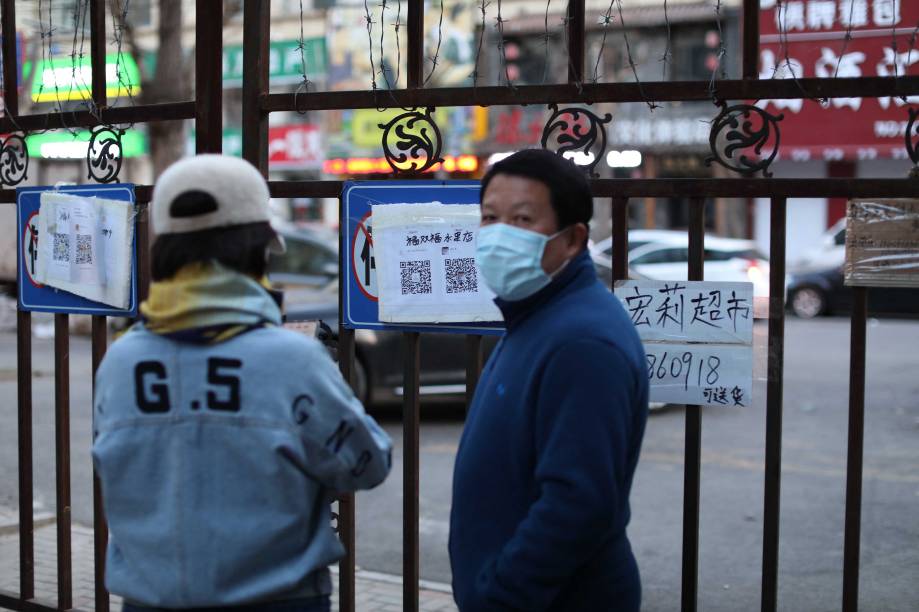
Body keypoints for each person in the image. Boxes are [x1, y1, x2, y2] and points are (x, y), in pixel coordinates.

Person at [92, 154, 392, 612]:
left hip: (147, 600)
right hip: (279, 599)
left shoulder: (121, 359)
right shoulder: (291, 360)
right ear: (258, 248)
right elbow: (367, 465)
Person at [449, 148, 649, 612]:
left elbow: (578, 504)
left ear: (574, 239)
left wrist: (501, 595)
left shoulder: (582, 342)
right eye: (489, 217)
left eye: (522, 219)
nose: (499, 235)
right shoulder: (536, 315)